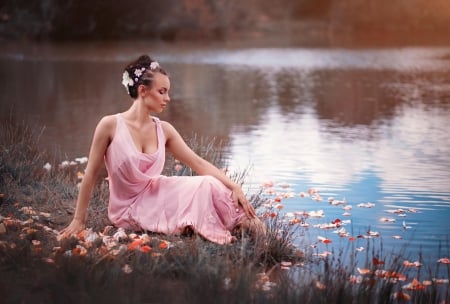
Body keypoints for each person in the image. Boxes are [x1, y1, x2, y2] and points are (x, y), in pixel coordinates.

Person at [60, 54, 265, 244]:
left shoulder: (164, 129)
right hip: (128, 208)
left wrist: (234, 187)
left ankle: (243, 224)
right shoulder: (109, 125)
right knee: (200, 197)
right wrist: (79, 219)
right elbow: (90, 175)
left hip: (157, 192)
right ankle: (229, 227)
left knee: (208, 184)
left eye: (167, 92)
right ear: (142, 90)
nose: (167, 98)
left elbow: (198, 163)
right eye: (162, 91)